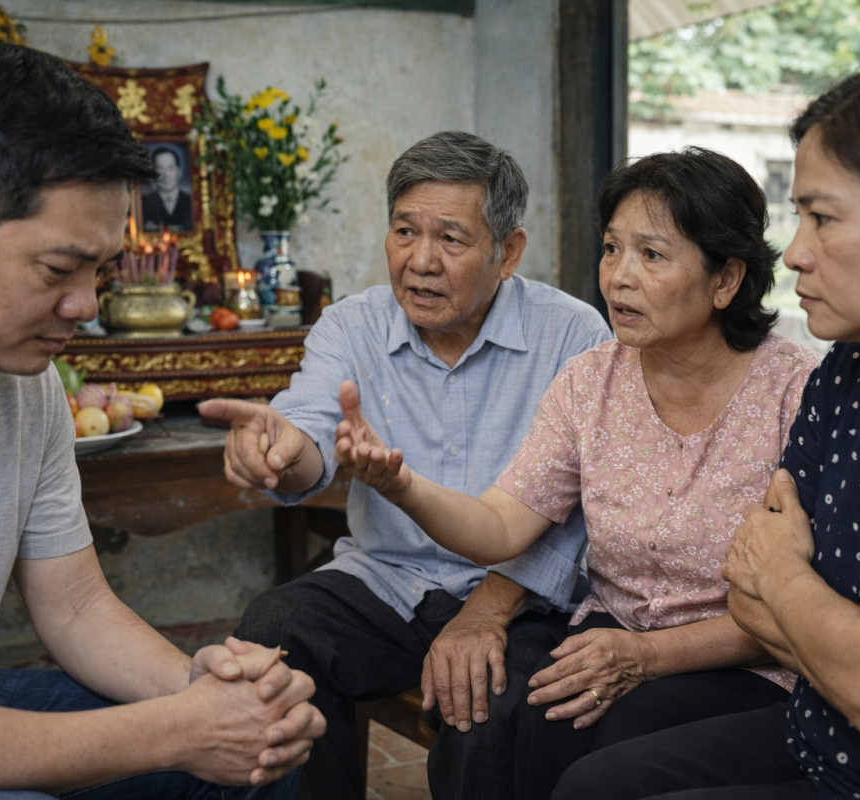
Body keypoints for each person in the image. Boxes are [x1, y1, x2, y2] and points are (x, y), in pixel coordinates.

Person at [0, 41, 323, 800]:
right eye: (58, 271)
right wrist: (183, 729)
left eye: (100, 273)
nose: (85, 307)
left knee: (261, 759)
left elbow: (77, 604)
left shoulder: (19, 377)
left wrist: (201, 684)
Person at [557, 52, 860, 800]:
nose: (795, 252)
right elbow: (743, 596)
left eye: (823, 218)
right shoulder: (852, 370)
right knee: (592, 784)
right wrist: (850, 617)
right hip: (822, 736)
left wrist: (787, 576)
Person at [335, 147, 823, 799]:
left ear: (725, 279)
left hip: (744, 663)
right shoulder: (591, 380)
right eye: (612, 249)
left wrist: (647, 659)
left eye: (650, 255)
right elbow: (501, 526)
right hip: (611, 634)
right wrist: (402, 486)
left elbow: (810, 602)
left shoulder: (795, 395)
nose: (618, 277)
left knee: (592, 755)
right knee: (482, 724)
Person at [200, 131, 613, 800]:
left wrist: (486, 611)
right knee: (273, 637)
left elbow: (584, 514)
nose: (420, 261)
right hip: (387, 581)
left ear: (508, 252)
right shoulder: (351, 326)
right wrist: (280, 453)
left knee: (491, 709)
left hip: (515, 594)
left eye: (451, 239)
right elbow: (309, 430)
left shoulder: (574, 336)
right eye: (404, 231)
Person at [142, 146, 194, 231]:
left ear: (179, 171)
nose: (166, 175)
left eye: (170, 168)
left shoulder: (192, 202)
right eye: (160, 168)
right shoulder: (143, 203)